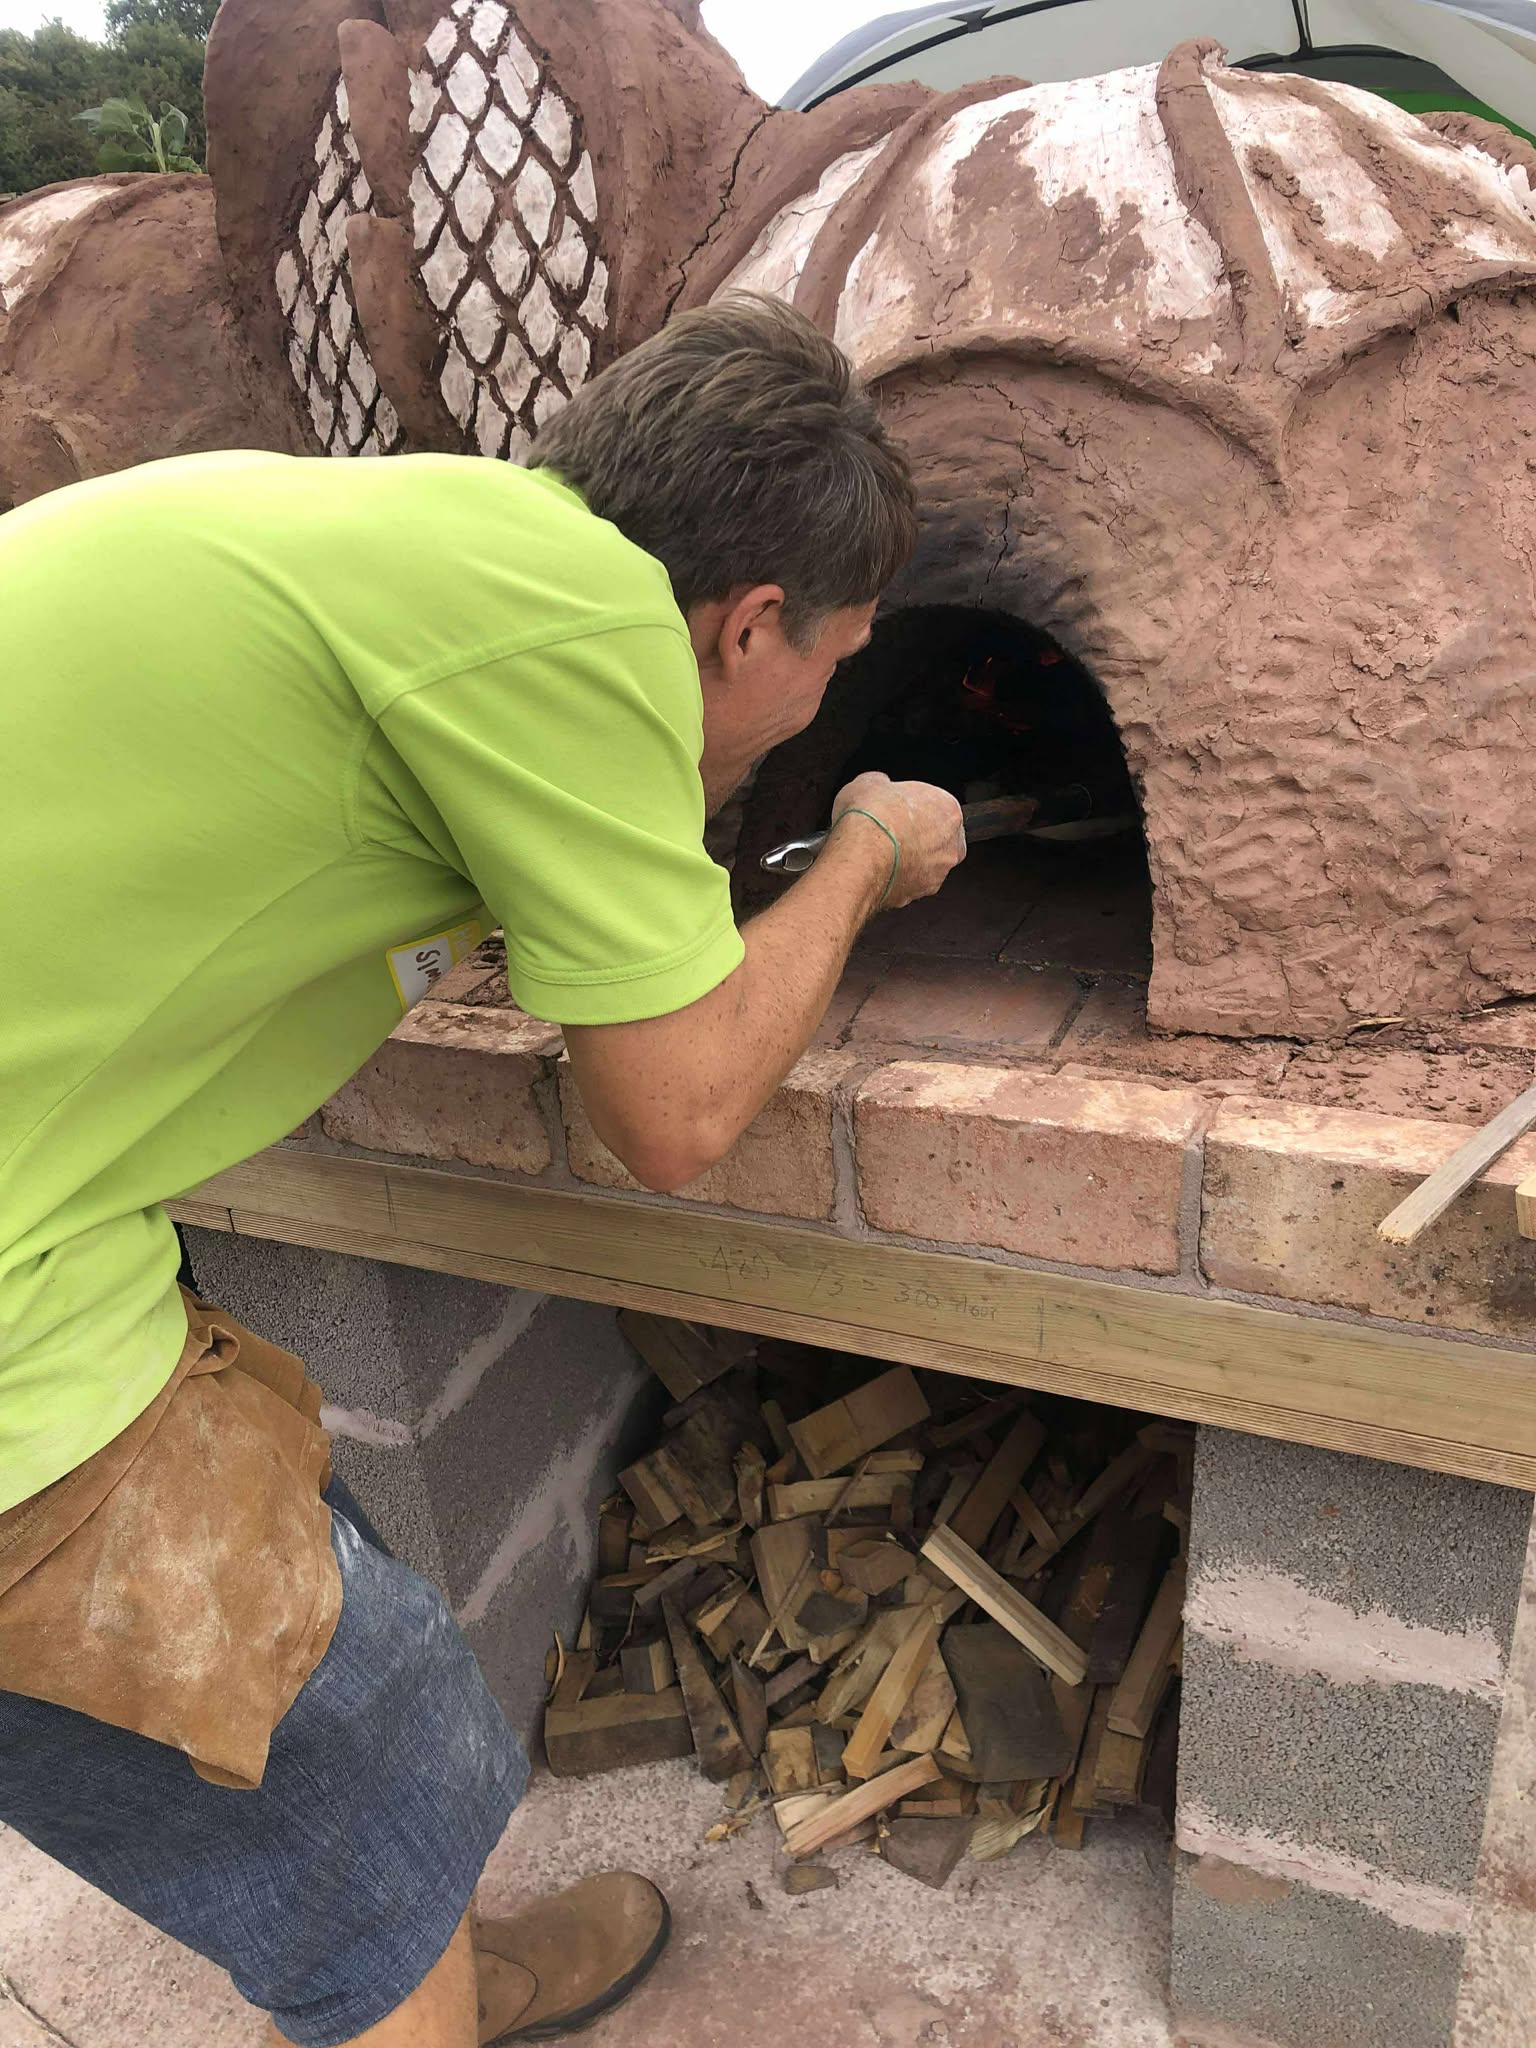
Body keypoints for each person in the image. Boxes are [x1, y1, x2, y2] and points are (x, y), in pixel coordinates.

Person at [0, 293, 965, 2046]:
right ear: (752, 621)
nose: (828, 695)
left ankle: (451, 1965)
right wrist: (870, 856)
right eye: (839, 656)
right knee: (331, 1734)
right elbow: (671, 1117)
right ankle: (413, 1990)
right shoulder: (587, 632)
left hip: (46, 1201)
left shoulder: (435, 548)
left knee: (349, 1687)